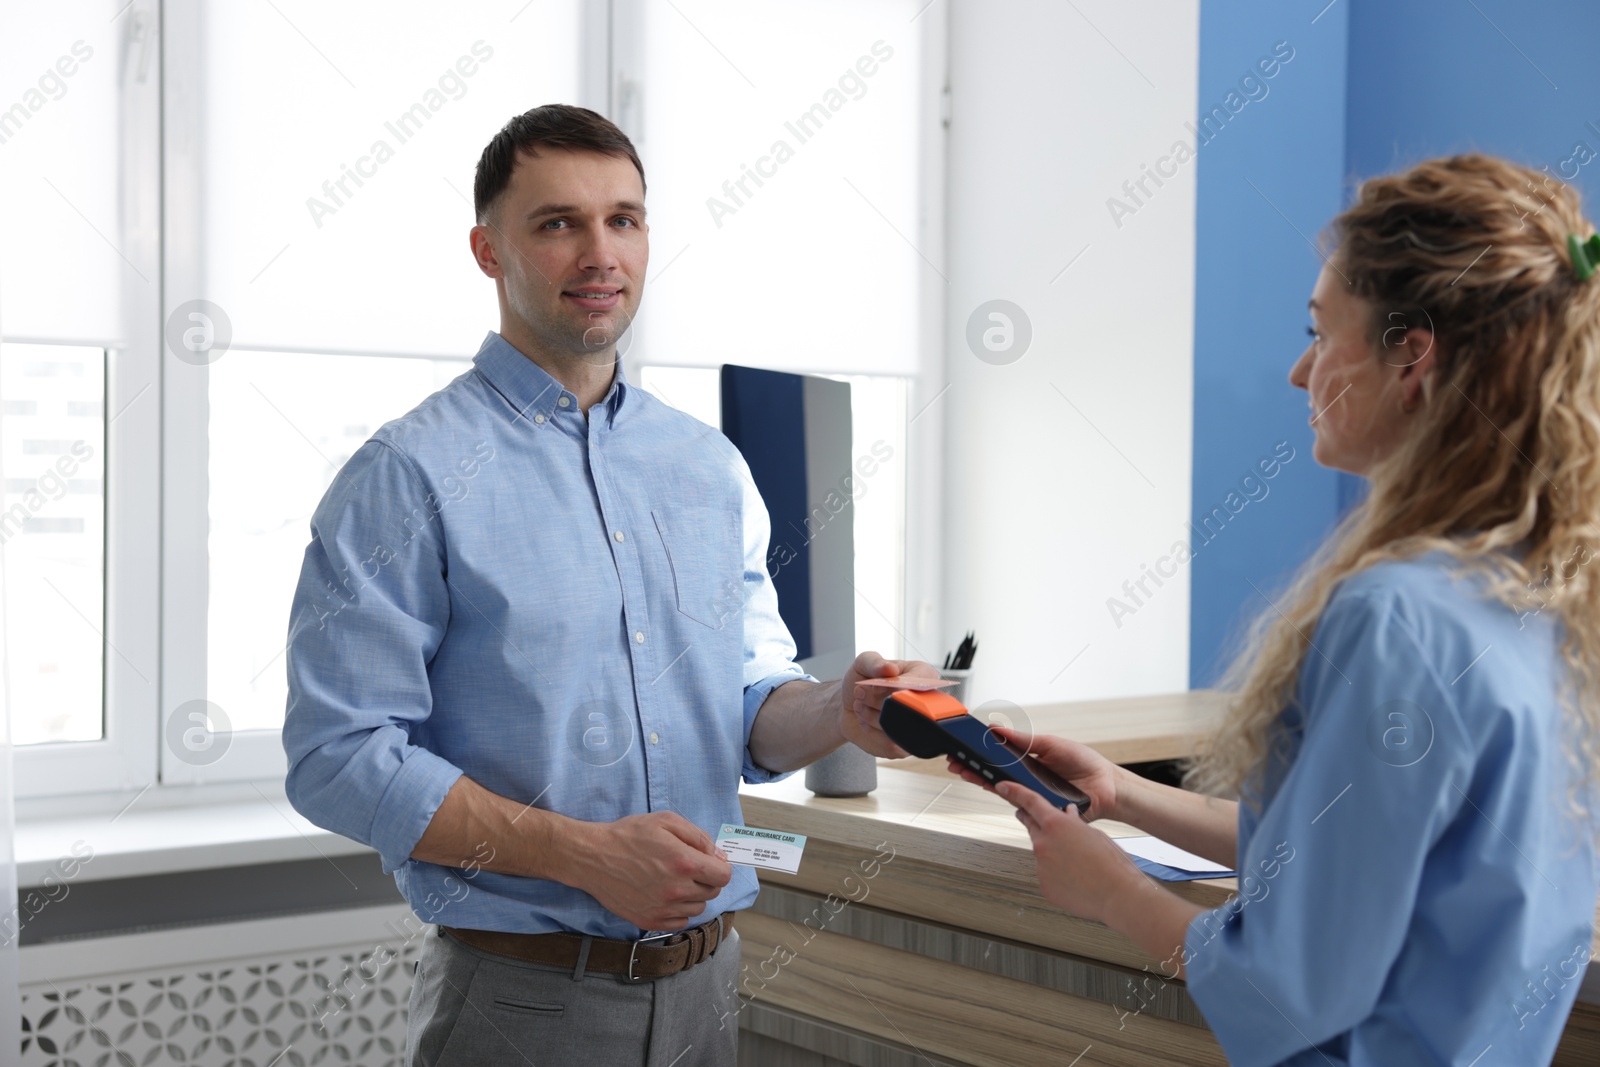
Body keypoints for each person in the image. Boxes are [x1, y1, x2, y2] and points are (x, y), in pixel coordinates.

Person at [281, 104, 933, 1067]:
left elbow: (749, 710)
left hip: (710, 985)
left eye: (623, 219)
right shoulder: (408, 475)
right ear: (487, 249)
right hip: (524, 1002)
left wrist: (839, 708)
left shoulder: (707, 467)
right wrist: (584, 855)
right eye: (558, 223)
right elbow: (336, 756)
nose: (600, 253)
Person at [951, 153, 1600, 1065]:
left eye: (1319, 331)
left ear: (1412, 353)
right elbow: (1358, 857)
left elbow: (1291, 989)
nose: (1300, 373)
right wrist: (1126, 793)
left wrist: (1111, 891)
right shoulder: (1547, 594)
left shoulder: (1396, 618)